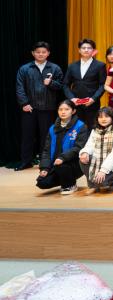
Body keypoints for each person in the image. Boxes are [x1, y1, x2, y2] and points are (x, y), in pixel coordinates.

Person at [15, 41, 66, 171]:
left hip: (48, 108)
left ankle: (46, 162)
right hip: (29, 108)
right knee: (27, 136)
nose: (41, 54)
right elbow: (19, 87)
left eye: (44, 52)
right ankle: (26, 161)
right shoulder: (25, 68)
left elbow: (61, 85)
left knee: (46, 136)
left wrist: (51, 83)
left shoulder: (55, 68)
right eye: (38, 52)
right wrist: (24, 103)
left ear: (48, 53)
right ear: (33, 53)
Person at [36, 100, 87, 194]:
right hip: (57, 163)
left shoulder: (80, 126)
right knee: (42, 182)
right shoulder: (52, 128)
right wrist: (45, 168)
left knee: (62, 166)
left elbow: (79, 147)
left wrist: (63, 158)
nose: (63, 112)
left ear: (73, 111)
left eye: (67, 109)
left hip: (75, 163)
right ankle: (65, 179)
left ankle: (70, 184)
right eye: (60, 109)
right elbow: (47, 150)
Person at [79, 106, 113, 192]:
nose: (103, 119)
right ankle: (92, 185)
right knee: (83, 158)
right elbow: (90, 145)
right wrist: (85, 153)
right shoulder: (95, 130)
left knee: (102, 184)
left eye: (106, 116)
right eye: (100, 117)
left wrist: (103, 170)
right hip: (97, 162)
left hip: (112, 165)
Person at [64, 38, 106, 129]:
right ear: (79, 50)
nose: (86, 50)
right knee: (76, 129)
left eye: (89, 48)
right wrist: (72, 98)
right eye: (83, 48)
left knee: (93, 128)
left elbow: (102, 85)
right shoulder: (72, 66)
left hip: (92, 104)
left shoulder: (100, 65)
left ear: (93, 50)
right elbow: (65, 85)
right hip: (76, 104)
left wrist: (93, 99)